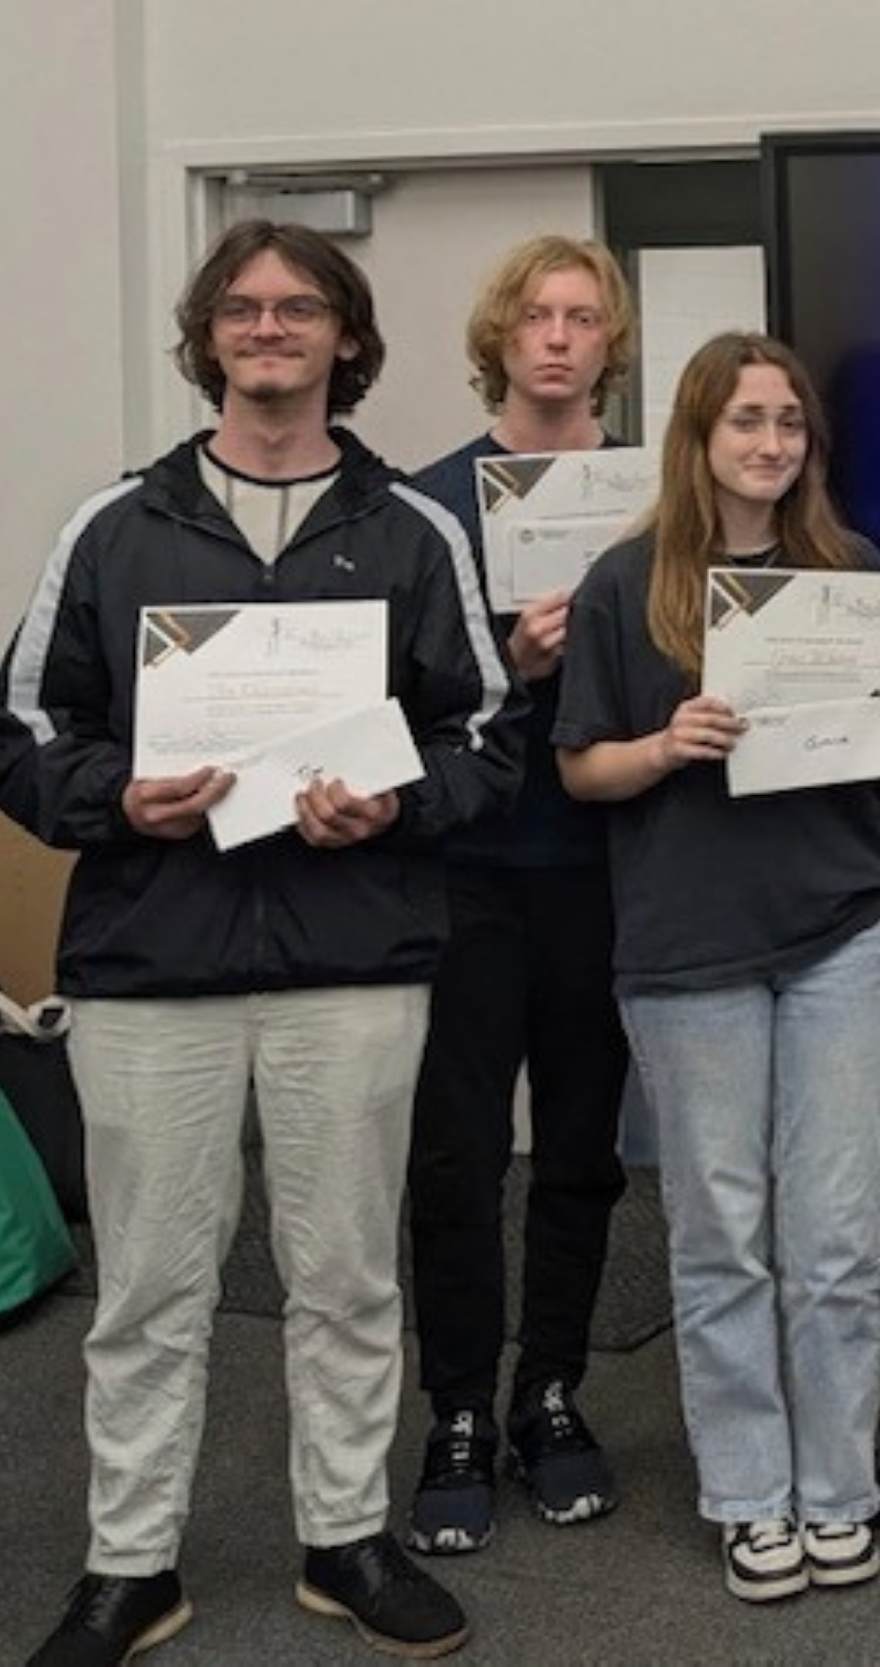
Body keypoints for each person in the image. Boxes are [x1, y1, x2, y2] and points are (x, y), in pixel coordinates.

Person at [0, 220, 525, 1663]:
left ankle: (345, 1534)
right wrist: (120, 794)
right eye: (242, 307)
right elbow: (29, 731)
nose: (270, 327)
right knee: (153, 1280)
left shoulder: (411, 532)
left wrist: (398, 802)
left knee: (346, 1269)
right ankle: (130, 1562)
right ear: (208, 337)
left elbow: (485, 742)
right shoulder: (113, 526)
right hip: (151, 964)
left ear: (346, 338)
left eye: (300, 307)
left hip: (352, 962)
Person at [551, 331, 880, 1602]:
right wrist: (664, 744)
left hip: (842, 928)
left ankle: (835, 1489)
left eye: (788, 424)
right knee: (722, 1237)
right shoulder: (625, 586)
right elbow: (579, 769)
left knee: (833, 1237)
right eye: (744, 423)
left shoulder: (852, 573)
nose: (770, 445)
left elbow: (874, 754)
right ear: (699, 438)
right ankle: (747, 1494)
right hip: (686, 946)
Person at [404, 235, 638, 1556]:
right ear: (499, 336)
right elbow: (381, 697)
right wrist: (507, 655)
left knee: (586, 1154)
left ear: (611, 342)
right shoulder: (427, 502)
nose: (558, 338)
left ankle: (548, 1390)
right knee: (455, 1155)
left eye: (583, 318)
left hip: (607, 872)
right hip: (466, 877)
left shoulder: (655, 496)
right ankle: (454, 1410)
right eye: (537, 316)